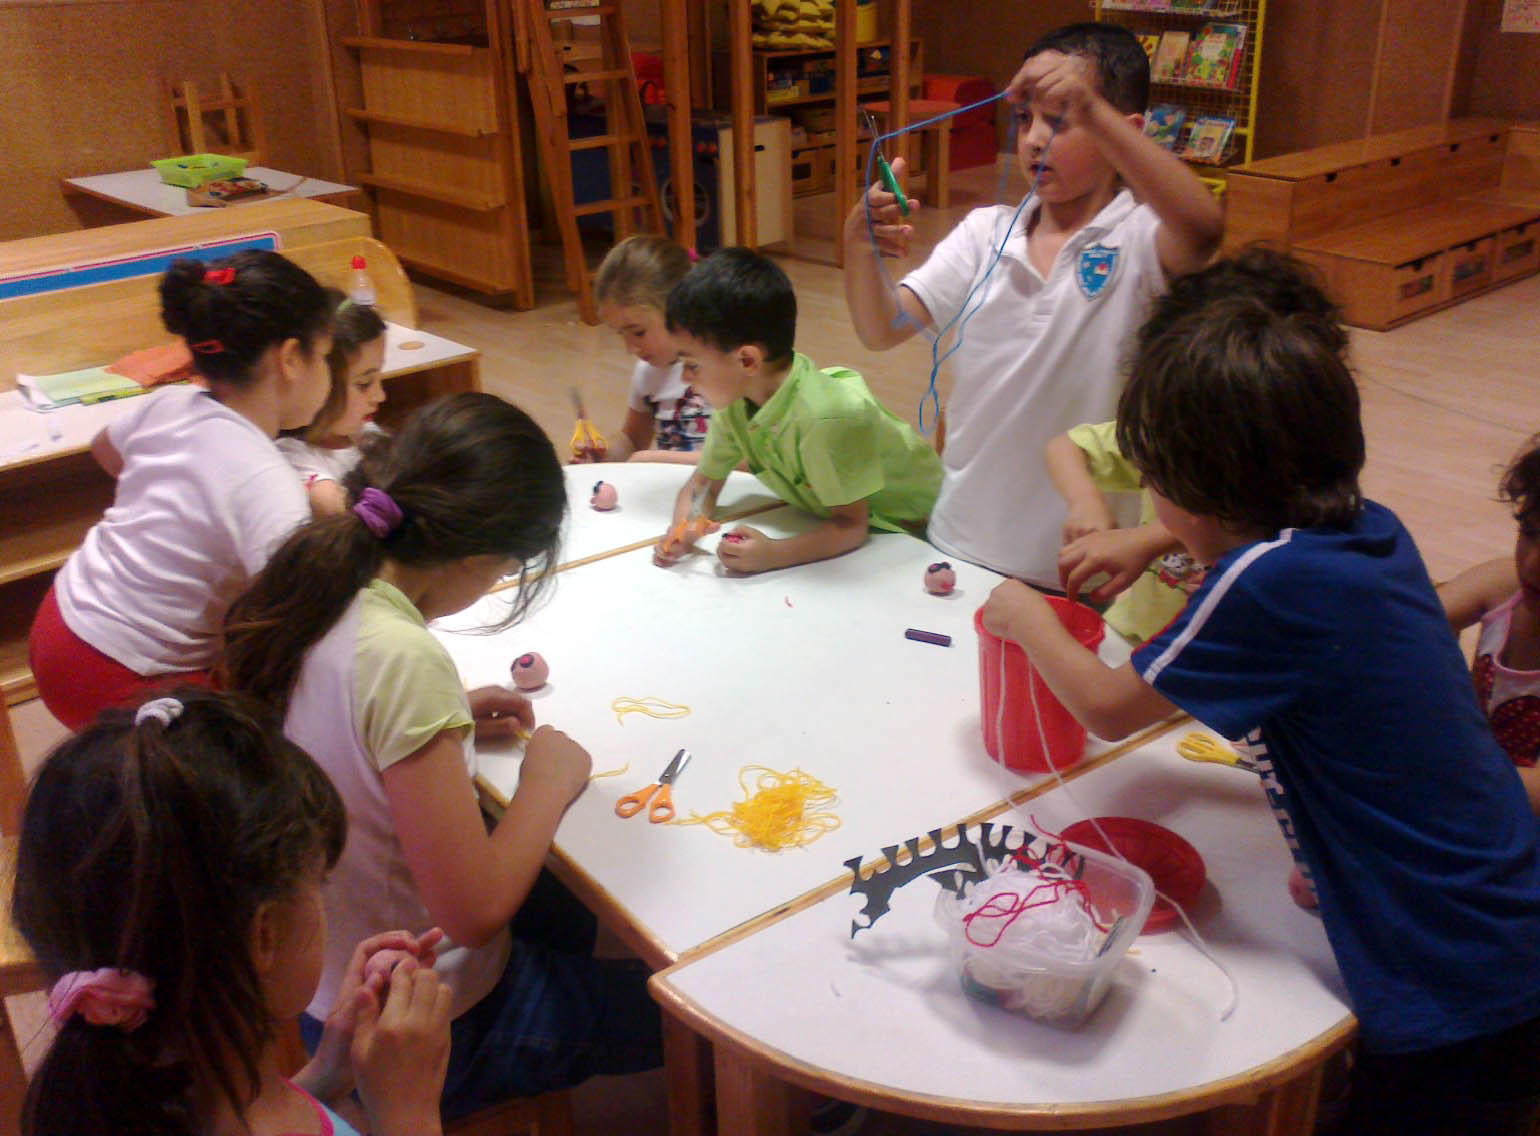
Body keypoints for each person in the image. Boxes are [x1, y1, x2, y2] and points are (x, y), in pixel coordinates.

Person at [980, 253, 1540, 1135]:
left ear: (1186, 491)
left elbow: (1106, 707)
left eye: (1152, 477)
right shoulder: (1368, 528)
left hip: (1450, 963)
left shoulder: (1261, 584)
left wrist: (1021, 610)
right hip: (1502, 913)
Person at [222, 392, 662, 1119]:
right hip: (423, 1028)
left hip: (335, 985)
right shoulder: (402, 657)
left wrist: (445, 724)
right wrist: (546, 783)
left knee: (567, 901)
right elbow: (473, 912)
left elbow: (351, 723)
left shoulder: (323, 579)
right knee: (673, 1011)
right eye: (504, 571)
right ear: (479, 560)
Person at [843, 22, 1223, 590]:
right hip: (960, 542)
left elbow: (1204, 227)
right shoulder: (984, 233)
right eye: (1025, 118)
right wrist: (858, 248)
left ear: (1124, 133)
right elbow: (882, 328)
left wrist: (1092, 110)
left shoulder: (1142, 239)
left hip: (1079, 567)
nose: (1035, 139)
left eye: (1060, 120)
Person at [11, 688, 452, 1136]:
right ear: (264, 935)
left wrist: (329, 1072)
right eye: (318, 882)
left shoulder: (147, 1093)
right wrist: (407, 1116)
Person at [28, 249, 334, 731]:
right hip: (119, 673)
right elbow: (284, 626)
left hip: (58, 621)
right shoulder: (267, 481)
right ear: (292, 358)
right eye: (328, 356)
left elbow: (106, 450)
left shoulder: (169, 402)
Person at [1047, 249, 1351, 641]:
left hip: (1206, 658)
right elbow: (1064, 447)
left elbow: (1250, 522)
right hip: (1138, 638)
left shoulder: (1300, 484)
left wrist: (1032, 625)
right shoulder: (1173, 431)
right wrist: (1087, 501)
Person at [655, 247, 942, 574]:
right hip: (861, 528)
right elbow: (702, 486)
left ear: (747, 360)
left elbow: (851, 526)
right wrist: (684, 528)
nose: (684, 378)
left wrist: (772, 555)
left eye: (692, 365)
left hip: (923, 528)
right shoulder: (737, 402)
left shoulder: (825, 419)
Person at [1439, 434, 1540, 810]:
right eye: (1529, 533)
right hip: (1480, 794)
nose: (1532, 565)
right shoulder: (1504, 586)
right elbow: (1409, 624)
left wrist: (1440, 765)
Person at [585, 233, 710, 463]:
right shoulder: (647, 372)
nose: (630, 348)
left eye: (638, 332)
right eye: (621, 333)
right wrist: (603, 455)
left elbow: (753, 460)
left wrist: (658, 460)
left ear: (679, 310)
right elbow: (633, 439)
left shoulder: (724, 367)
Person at [278, 292, 389, 514]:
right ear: (318, 382)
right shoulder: (291, 459)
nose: (380, 395)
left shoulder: (365, 432)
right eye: (364, 383)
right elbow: (347, 513)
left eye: (379, 378)